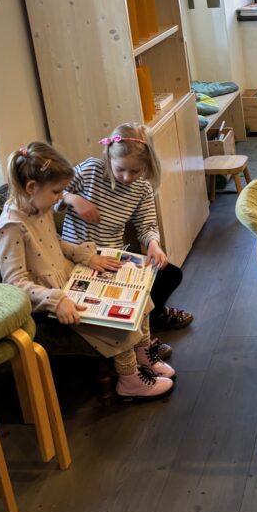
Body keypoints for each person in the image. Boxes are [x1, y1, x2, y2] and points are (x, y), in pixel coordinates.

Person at [0, 142, 174, 400]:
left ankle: (143, 354)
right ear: (31, 187)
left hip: (70, 278)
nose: (60, 198)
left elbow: (54, 242)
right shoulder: (11, 227)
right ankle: (130, 380)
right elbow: (15, 283)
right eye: (57, 192)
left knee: (138, 297)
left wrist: (86, 255)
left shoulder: (37, 206)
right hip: (51, 298)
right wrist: (56, 300)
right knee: (118, 323)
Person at [60, 123, 192, 360]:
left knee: (170, 274)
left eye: (135, 171)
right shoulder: (90, 170)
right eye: (120, 169)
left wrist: (153, 244)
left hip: (112, 258)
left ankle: (150, 319)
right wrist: (73, 199)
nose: (126, 178)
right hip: (76, 258)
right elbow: (53, 193)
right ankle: (141, 336)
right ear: (108, 156)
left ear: (147, 165)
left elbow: (147, 224)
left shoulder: (142, 188)